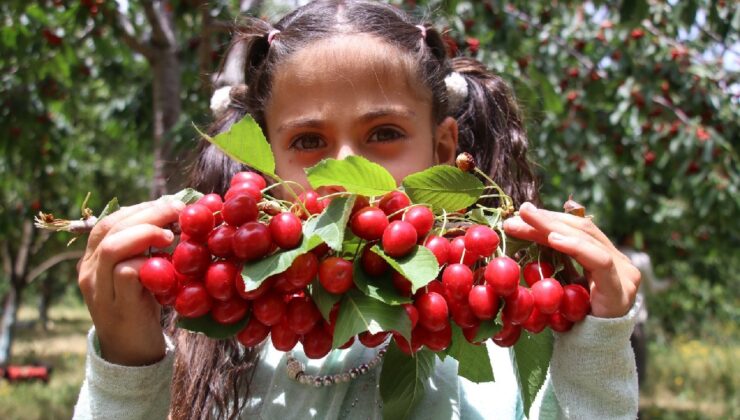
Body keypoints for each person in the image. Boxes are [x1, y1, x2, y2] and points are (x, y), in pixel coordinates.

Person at [72, 1, 642, 419]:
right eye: (308, 142)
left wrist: (596, 348)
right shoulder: (229, 341)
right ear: (265, 165)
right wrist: (128, 365)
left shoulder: (499, 329)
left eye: (385, 132)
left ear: (445, 151)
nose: (344, 171)